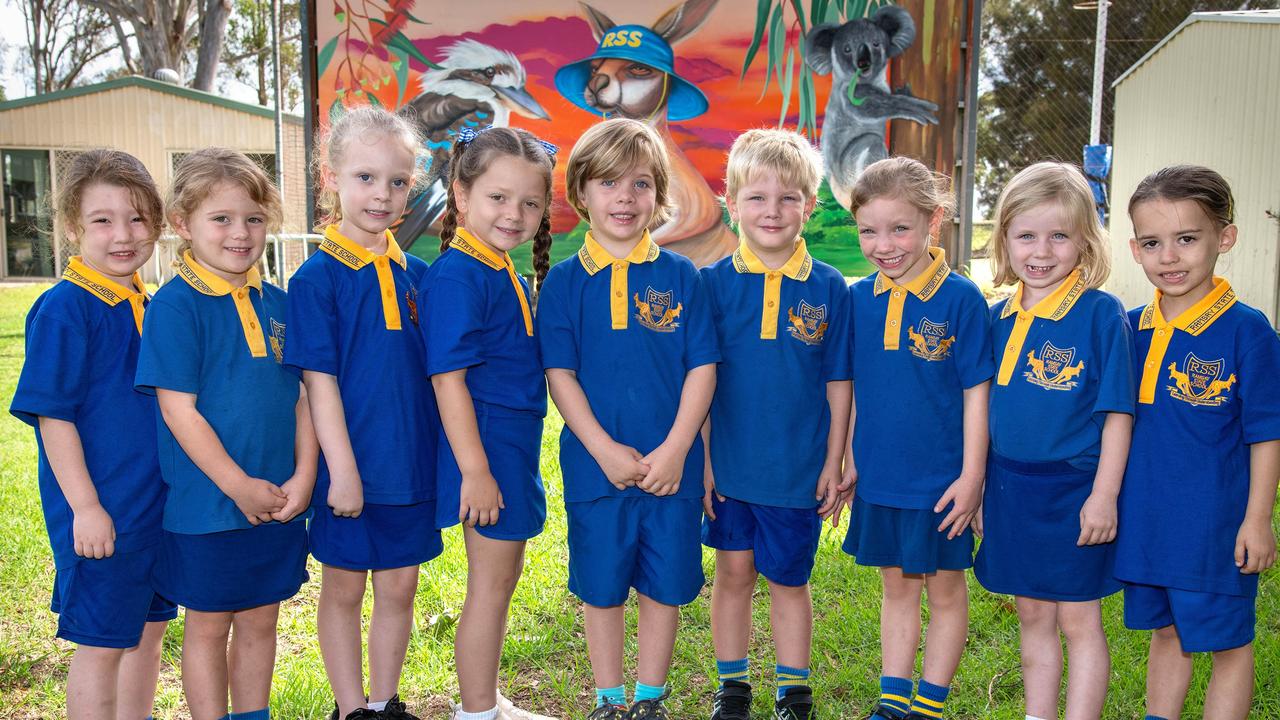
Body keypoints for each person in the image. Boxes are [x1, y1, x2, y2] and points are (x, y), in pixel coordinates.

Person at [536, 118, 719, 719]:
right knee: (603, 584)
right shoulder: (562, 283)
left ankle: (649, 699)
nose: (624, 197)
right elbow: (560, 375)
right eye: (609, 182)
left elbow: (702, 369)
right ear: (581, 193)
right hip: (597, 469)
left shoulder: (682, 276)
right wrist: (603, 449)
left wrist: (675, 450)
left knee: (665, 584)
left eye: (640, 183)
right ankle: (609, 699)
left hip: (671, 468)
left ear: (659, 196)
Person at [135, 148, 315, 720]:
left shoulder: (281, 303)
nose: (241, 233)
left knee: (263, 620)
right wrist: (238, 486)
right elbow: (179, 411)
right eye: (221, 218)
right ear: (183, 224)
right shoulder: (175, 306)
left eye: (254, 219)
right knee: (210, 626)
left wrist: (305, 476)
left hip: (280, 500)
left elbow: (306, 397)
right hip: (209, 507)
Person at [10, 148, 176, 720]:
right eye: (102, 220)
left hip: (155, 511)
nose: (122, 235)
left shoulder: (150, 307)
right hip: (103, 515)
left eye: (136, 218)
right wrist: (85, 506)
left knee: (147, 634)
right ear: (74, 227)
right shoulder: (65, 308)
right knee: (103, 645)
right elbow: (53, 417)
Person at [285, 106, 439, 720]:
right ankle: (350, 709)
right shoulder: (316, 279)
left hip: (410, 467)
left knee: (400, 585)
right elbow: (317, 385)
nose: (382, 194)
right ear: (332, 178)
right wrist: (341, 470)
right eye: (366, 178)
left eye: (398, 182)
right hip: (348, 468)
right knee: (345, 586)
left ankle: (383, 701)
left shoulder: (421, 276)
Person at [1117, 165, 1280, 720]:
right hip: (1148, 522)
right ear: (1135, 249)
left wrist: (1258, 519)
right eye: (1153, 242)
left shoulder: (1248, 330)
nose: (1170, 257)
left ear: (1224, 237)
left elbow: (1266, 434)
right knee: (1168, 634)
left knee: (1229, 646)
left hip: (1214, 527)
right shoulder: (1130, 328)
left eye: (1187, 239)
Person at [698, 128, 851, 720]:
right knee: (732, 573)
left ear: (809, 207)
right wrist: (705, 461)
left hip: (797, 469)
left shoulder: (830, 287)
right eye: (756, 198)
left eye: (789, 197)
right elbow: (701, 383)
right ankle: (732, 687)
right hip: (731, 466)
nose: (772, 211)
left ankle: (794, 690)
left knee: (789, 580)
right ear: (731, 204)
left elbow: (840, 385)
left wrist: (835, 461)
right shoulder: (711, 285)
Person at [974, 162, 1135, 720]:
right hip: (1011, 490)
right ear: (1005, 240)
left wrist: (1104, 495)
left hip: (1075, 492)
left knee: (1077, 621)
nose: (1041, 251)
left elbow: (1119, 415)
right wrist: (983, 492)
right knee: (1032, 616)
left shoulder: (1100, 314)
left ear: (1085, 242)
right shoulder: (997, 317)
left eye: (1059, 235)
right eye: (1026, 235)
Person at [843, 157, 992, 720]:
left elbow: (978, 394)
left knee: (946, 590)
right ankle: (892, 700)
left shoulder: (961, 299)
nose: (884, 245)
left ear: (934, 222)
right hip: (882, 476)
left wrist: (973, 477)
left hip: (942, 482)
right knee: (897, 588)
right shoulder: (859, 299)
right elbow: (855, 387)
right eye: (869, 231)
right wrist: (851, 457)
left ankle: (928, 705)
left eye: (900, 228)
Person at [421, 125, 558, 720]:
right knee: (491, 584)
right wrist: (475, 472)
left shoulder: (497, 265)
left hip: (511, 443)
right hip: (486, 449)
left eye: (530, 202)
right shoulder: (457, 274)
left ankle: (488, 700)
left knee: (503, 577)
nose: (514, 213)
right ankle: (475, 712)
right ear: (461, 194)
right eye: (498, 197)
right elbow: (447, 379)